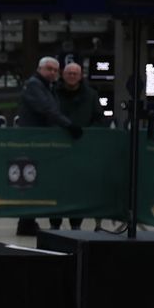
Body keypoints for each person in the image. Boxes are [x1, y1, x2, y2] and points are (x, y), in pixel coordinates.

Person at [14, 56, 81, 234]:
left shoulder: (47, 87)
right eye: (49, 69)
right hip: (33, 142)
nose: (52, 72)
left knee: (33, 182)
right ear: (40, 69)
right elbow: (47, 109)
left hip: (40, 142)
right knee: (30, 182)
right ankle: (26, 222)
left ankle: (27, 221)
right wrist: (68, 125)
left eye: (55, 70)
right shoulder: (35, 85)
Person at [53, 62, 104, 229]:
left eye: (75, 73)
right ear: (63, 75)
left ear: (81, 76)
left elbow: (100, 119)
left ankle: (76, 223)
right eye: (69, 73)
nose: (72, 76)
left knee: (79, 187)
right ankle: (55, 222)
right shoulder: (53, 93)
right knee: (58, 187)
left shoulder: (91, 95)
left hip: (82, 147)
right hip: (58, 146)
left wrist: (87, 133)